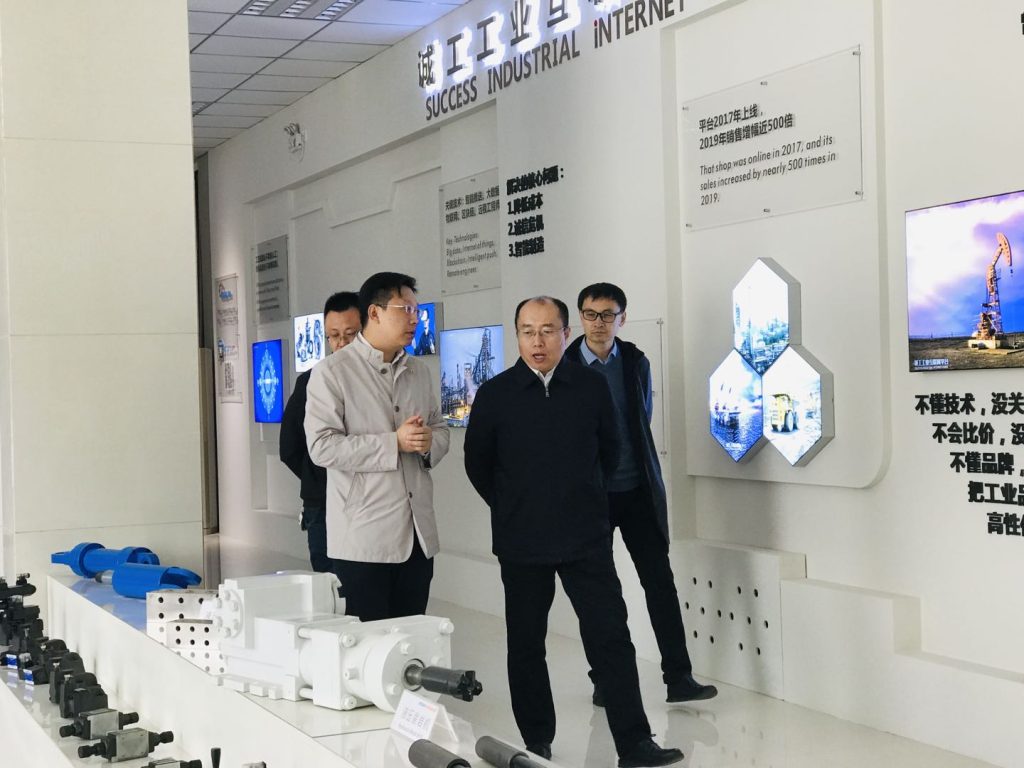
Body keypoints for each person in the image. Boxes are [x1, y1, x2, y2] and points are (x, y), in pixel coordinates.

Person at [464, 296, 683, 768]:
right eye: (527, 331)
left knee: (611, 637)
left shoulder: (590, 387)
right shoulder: (496, 394)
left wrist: (587, 502)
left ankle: (635, 743)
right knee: (527, 644)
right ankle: (537, 740)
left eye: (548, 330)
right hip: (522, 543)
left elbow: (610, 451)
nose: (537, 341)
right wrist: (514, 508)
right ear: (517, 336)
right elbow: (478, 464)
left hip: (586, 538)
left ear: (566, 334)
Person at [567, 282, 718, 706]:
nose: (599, 323)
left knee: (660, 585)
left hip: (637, 490)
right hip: (592, 498)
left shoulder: (635, 362)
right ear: (580, 318)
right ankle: (606, 680)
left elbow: (641, 420)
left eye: (608, 315)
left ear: (622, 318)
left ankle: (679, 677)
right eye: (591, 314)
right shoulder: (566, 368)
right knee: (600, 596)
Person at [305, 272, 449, 621]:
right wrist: (393, 443)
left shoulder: (418, 371)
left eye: (417, 311)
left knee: (412, 639)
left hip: (417, 537)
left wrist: (428, 442)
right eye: (406, 309)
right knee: (367, 644)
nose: (415, 319)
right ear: (374, 313)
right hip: (363, 541)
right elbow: (321, 446)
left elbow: (439, 427)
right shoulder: (332, 372)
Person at [280, 292, 362, 573]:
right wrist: (318, 477)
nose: (342, 343)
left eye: (350, 334)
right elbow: (289, 447)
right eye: (334, 336)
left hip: (368, 504)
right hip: (323, 503)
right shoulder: (310, 381)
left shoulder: (378, 380)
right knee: (330, 585)